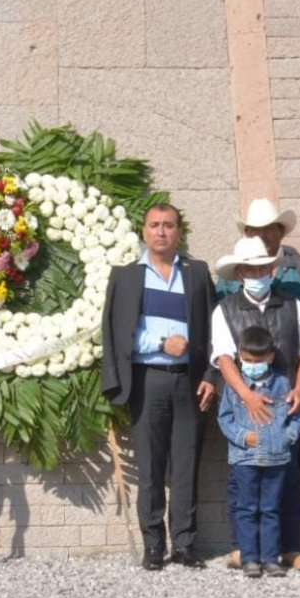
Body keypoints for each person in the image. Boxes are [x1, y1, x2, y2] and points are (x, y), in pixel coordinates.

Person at [217, 199, 300, 568]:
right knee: (244, 483)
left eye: (263, 267)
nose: (257, 273)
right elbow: (222, 357)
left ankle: (289, 547)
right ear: (239, 274)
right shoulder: (226, 307)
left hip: (287, 402)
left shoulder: (294, 303)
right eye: (250, 269)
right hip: (242, 406)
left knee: (290, 475)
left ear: (273, 266)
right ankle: (246, 550)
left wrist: (299, 389)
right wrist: (247, 396)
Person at [101, 203, 217, 571]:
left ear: (179, 232)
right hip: (147, 380)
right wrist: (159, 343)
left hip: (189, 382)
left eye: (169, 225)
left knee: (186, 466)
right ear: (143, 231)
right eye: (154, 225)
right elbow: (116, 333)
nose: (161, 232)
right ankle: (154, 546)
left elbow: (216, 330)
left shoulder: (197, 274)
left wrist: (211, 377)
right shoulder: (126, 277)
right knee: (150, 468)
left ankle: (184, 544)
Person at [218, 326, 300, 579]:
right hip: (244, 459)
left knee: (271, 508)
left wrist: (283, 438)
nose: (252, 365)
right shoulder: (234, 387)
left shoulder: (282, 384)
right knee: (246, 508)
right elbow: (224, 419)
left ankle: (270, 558)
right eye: (246, 360)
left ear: (270, 357)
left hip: (277, 459)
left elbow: (297, 419)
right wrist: (243, 437)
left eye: (258, 360)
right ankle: (249, 558)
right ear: (238, 357)